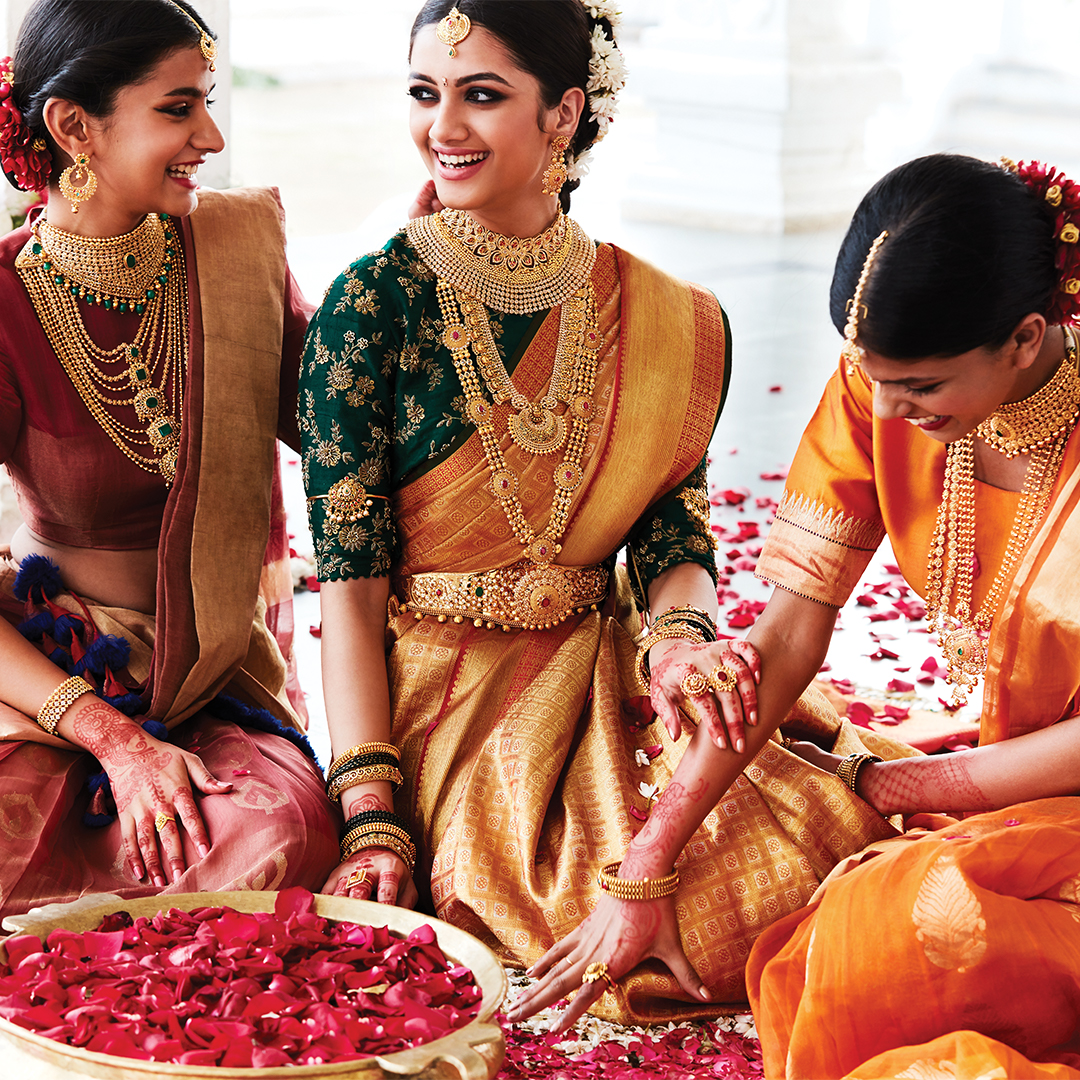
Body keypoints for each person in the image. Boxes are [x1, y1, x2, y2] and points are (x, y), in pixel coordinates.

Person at [300, 0, 907, 1025]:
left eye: (482, 95)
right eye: (424, 93)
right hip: (447, 699)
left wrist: (677, 643)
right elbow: (350, 602)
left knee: (797, 851)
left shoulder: (664, 314)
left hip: (604, 662)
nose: (442, 126)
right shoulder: (371, 308)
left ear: (564, 113)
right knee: (544, 921)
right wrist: (370, 819)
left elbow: (673, 533)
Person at [736, 153, 1080, 1079]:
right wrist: (645, 861)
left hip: (1045, 784)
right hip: (1005, 769)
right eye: (872, 376)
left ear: (1025, 337)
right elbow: (792, 625)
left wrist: (914, 789)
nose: (887, 408)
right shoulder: (881, 387)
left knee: (898, 936)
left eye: (920, 387)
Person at [0, 0, 339, 918]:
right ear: (75, 126)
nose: (211, 134)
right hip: (52, 671)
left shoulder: (233, 255)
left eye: (208, 102)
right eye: (178, 107)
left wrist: (407, 292)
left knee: (282, 840)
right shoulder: (3, 303)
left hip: (209, 672)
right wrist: (113, 738)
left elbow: (342, 427)